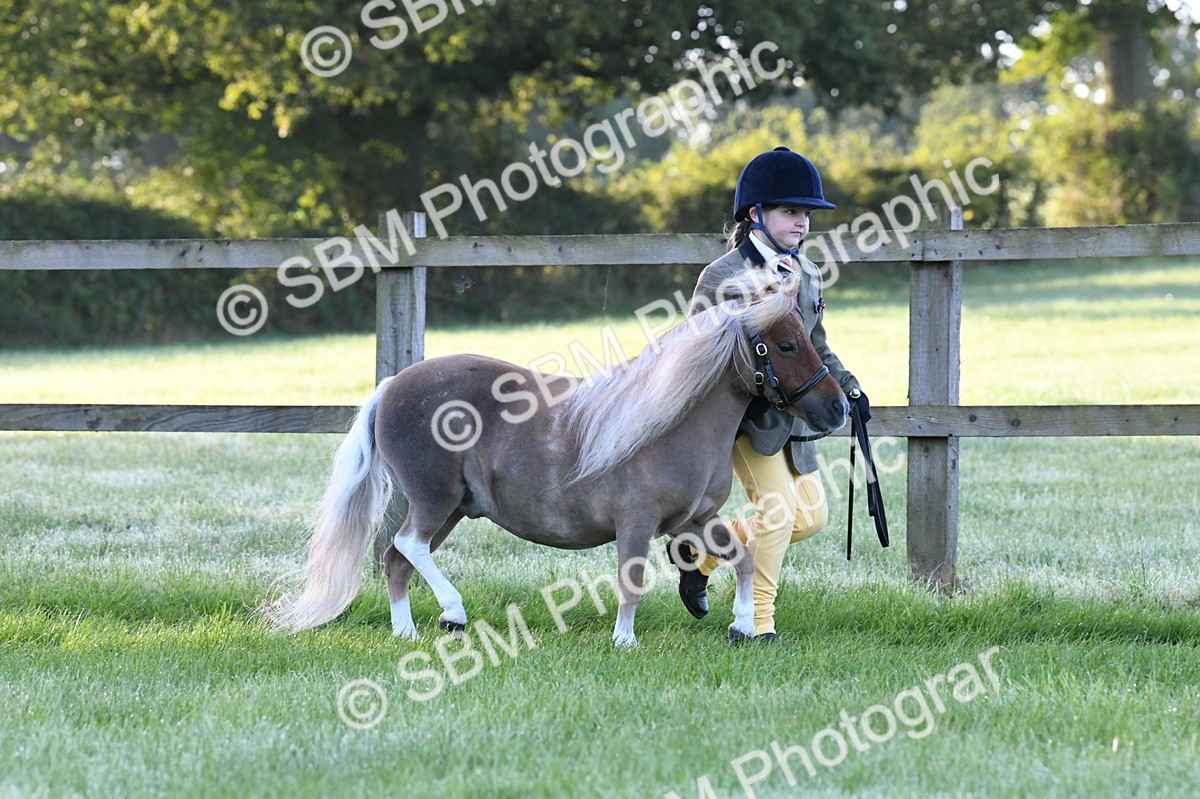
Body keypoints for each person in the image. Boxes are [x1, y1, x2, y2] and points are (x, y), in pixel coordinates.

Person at [669, 146, 870, 644]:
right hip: (747, 420)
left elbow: (813, 344)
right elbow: (696, 354)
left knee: (811, 518)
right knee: (777, 512)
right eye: (790, 212)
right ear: (755, 214)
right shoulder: (721, 277)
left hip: (796, 416)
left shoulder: (808, 272)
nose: (801, 223)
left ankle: (702, 553)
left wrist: (848, 384)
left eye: (805, 214)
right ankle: (756, 623)